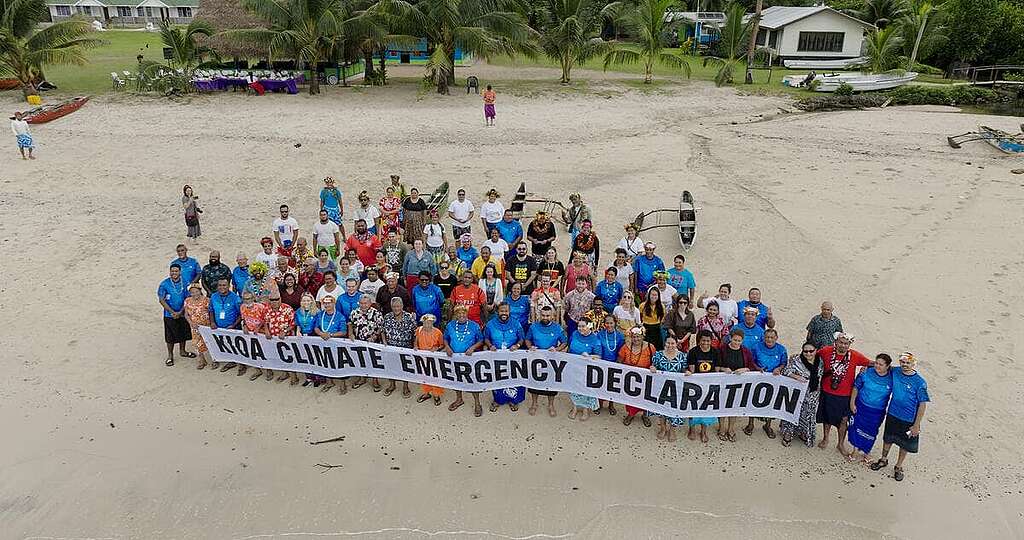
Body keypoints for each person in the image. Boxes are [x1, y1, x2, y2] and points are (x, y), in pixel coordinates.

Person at [871, 352, 929, 482]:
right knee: (888, 439)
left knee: (904, 444)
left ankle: (898, 466)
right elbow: (882, 367)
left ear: (913, 364)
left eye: (908, 363)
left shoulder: (920, 382)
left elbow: (922, 405)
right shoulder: (895, 371)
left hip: (909, 419)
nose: (905, 365)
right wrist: (867, 367)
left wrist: (916, 425)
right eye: (902, 362)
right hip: (892, 414)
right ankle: (883, 459)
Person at [817, 332, 872, 457]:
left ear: (849, 345)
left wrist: (867, 369)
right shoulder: (826, 351)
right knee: (827, 418)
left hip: (845, 395)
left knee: (843, 421)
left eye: (846, 343)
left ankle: (840, 444)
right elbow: (811, 355)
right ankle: (826, 438)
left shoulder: (855, 355)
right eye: (840, 342)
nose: (843, 345)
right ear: (835, 342)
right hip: (827, 391)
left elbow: (872, 363)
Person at [848, 353, 893, 464]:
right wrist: (852, 403)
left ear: (887, 366)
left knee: (871, 431)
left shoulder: (892, 378)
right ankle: (855, 451)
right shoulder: (866, 372)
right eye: (876, 363)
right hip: (861, 406)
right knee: (856, 427)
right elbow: (856, 387)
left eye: (881, 364)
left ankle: (867, 452)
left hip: (877, 411)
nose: (877, 366)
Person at [745, 327, 788, 439]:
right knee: (753, 400)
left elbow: (784, 363)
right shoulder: (756, 347)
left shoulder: (782, 349)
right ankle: (750, 424)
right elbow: (751, 361)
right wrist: (758, 368)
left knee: (771, 402)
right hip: (758, 378)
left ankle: (768, 425)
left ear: (776, 338)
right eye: (767, 337)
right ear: (764, 337)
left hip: (774, 380)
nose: (769, 339)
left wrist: (779, 368)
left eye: (772, 337)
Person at [715, 328, 757, 441]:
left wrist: (744, 369)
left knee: (734, 407)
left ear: (742, 340)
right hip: (724, 382)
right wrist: (724, 369)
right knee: (722, 406)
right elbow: (717, 366)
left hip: (739, 384)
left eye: (739, 341)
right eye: (735, 340)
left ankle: (731, 429)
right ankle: (721, 428)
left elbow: (751, 366)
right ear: (730, 338)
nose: (736, 342)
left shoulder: (746, 351)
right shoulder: (722, 349)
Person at [484, 303, 527, 411]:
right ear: (498, 312)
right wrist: (490, 345)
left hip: (512, 357)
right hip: (497, 357)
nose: (504, 313)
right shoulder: (490, 324)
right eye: (502, 311)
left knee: (513, 377)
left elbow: (522, 338)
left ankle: (513, 400)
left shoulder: (516, 323)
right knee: (497, 378)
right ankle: (498, 400)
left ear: (509, 312)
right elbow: (486, 338)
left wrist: (517, 345)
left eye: (506, 311)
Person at [525, 306, 567, 417]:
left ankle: (551, 405)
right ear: (539, 315)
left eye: (547, 315)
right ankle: (534, 404)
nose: (545, 317)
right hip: (536, 360)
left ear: (552, 316)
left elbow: (564, 342)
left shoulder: (558, 328)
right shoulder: (533, 327)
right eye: (543, 315)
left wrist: (557, 349)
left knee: (551, 384)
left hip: (551, 360)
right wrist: (530, 347)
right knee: (534, 383)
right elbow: (527, 339)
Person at [443, 305, 485, 415]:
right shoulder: (450, 325)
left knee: (472, 380)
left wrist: (473, 348)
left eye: (463, 313)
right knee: (456, 379)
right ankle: (459, 399)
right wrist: (447, 347)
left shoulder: (474, 326)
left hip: (469, 359)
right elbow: (445, 338)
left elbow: (481, 340)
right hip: (454, 358)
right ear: (456, 315)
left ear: (467, 314)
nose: (461, 315)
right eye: (459, 313)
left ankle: (477, 403)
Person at [779, 343, 823, 447]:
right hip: (796, 393)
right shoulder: (796, 360)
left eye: (811, 351)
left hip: (813, 394)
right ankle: (788, 434)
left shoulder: (820, 361)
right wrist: (796, 377)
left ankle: (803, 433)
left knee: (808, 414)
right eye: (805, 351)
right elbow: (786, 371)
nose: (808, 353)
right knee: (792, 412)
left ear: (816, 350)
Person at [650, 336, 687, 442]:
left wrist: (687, 372)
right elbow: (654, 366)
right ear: (664, 343)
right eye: (668, 343)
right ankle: (663, 428)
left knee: (674, 409)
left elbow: (684, 369)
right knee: (661, 409)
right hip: (661, 387)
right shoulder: (658, 355)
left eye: (673, 343)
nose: (670, 345)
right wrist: (653, 368)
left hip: (676, 388)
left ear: (676, 344)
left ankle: (672, 430)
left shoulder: (682, 356)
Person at [685, 331, 718, 443]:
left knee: (707, 408)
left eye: (708, 340)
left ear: (711, 341)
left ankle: (704, 430)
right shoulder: (693, 352)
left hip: (709, 384)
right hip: (696, 384)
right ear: (699, 340)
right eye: (703, 340)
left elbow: (717, 371)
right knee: (693, 407)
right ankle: (692, 428)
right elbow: (692, 370)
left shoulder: (715, 352)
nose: (705, 343)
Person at [381, 297, 417, 397]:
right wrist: (384, 342)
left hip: (405, 347)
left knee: (405, 368)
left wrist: (415, 345)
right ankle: (392, 385)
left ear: (402, 306)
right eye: (394, 307)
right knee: (391, 368)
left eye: (398, 306)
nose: (396, 308)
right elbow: (382, 330)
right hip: (391, 348)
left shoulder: (409, 317)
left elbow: (415, 333)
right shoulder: (387, 316)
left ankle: (405, 386)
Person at [619, 327, 655, 427]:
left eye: (638, 337)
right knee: (630, 397)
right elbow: (620, 360)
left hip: (645, 379)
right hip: (630, 378)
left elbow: (655, 361)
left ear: (642, 336)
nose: (636, 339)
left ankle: (645, 415)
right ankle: (631, 414)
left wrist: (653, 367)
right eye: (634, 337)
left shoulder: (650, 347)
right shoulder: (626, 347)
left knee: (645, 397)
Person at [566, 319, 601, 420]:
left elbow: (599, 356)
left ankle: (585, 410)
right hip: (573, 365)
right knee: (573, 388)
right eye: (579, 326)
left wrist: (589, 356)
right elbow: (569, 347)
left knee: (585, 389)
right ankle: (575, 408)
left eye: (583, 326)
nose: (580, 328)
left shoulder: (595, 339)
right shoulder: (574, 333)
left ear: (589, 326)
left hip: (587, 368)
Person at [158, 263, 192, 367]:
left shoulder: (185, 282)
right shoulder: (164, 284)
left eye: (176, 271)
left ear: (180, 272)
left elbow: (187, 299)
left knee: (183, 332)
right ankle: (170, 355)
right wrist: (173, 312)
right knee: (170, 336)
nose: (174, 273)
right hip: (169, 315)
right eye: (172, 271)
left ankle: (183, 351)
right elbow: (161, 300)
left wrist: (181, 312)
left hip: (182, 313)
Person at [348, 294, 384, 391]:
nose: (363, 305)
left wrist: (375, 336)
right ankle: (362, 378)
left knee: (373, 361)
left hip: (372, 342)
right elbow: (350, 324)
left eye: (365, 303)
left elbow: (381, 327)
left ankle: (375, 380)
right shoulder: (354, 312)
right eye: (361, 303)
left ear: (370, 303)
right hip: (358, 341)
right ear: (359, 303)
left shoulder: (376, 313)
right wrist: (350, 334)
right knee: (360, 360)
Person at [314, 295, 349, 394]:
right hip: (323, 342)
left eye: (329, 302)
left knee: (339, 363)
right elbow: (316, 327)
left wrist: (331, 335)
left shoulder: (340, 316)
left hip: (336, 344)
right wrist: (321, 334)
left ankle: (343, 384)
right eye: (325, 303)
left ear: (333, 303)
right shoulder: (320, 314)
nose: (327, 305)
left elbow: (343, 332)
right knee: (325, 362)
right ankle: (329, 382)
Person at [262, 292, 296, 382]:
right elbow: (266, 321)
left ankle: (294, 376)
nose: (274, 301)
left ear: (280, 299)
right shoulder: (267, 309)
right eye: (272, 300)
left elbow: (293, 324)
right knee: (277, 356)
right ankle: (284, 373)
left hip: (286, 338)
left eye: (276, 299)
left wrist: (285, 331)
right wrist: (266, 330)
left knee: (289, 357)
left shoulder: (288, 309)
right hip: (273, 338)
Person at [593, 314, 624, 415]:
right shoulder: (599, 334)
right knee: (600, 385)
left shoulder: (619, 336)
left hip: (614, 364)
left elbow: (621, 351)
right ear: (604, 324)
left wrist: (617, 364)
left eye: (611, 323)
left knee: (612, 386)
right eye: (607, 323)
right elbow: (597, 348)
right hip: (602, 363)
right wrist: (600, 362)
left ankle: (611, 405)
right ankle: (600, 404)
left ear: (615, 323)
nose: (609, 325)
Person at [209, 278, 241, 372]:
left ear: (228, 286)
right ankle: (219, 359)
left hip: (232, 327)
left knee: (233, 345)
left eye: (224, 285)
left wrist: (234, 325)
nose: (222, 287)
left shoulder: (235, 298)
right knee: (218, 344)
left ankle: (232, 361)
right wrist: (212, 322)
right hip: (218, 327)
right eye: (220, 285)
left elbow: (241, 314)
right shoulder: (213, 296)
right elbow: (211, 310)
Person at [236, 290, 270, 380]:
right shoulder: (242, 307)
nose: (247, 301)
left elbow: (266, 319)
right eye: (245, 299)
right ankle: (258, 370)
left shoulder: (261, 307)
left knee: (264, 352)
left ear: (253, 298)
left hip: (261, 333)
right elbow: (243, 318)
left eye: (249, 298)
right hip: (250, 333)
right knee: (253, 352)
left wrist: (258, 327)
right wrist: (244, 326)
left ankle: (268, 370)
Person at [415, 314, 447, 405]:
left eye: (429, 322)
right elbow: (416, 340)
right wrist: (415, 346)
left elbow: (442, 345)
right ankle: (426, 393)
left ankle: (436, 395)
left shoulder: (438, 332)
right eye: (425, 322)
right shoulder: (419, 330)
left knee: (435, 376)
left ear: (433, 323)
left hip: (434, 359)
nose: (427, 324)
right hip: (422, 358)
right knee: (424, 376)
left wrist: (436, 348)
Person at [182, 282, 211, 370]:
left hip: (207, 325)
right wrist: (190, 323)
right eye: (192, 292)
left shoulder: (206, 300)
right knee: (196, 343)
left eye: (196, 291)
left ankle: (214, 360)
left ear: (200, 291)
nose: (195, 294)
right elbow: (186, 314)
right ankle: (202, 360)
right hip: (195, 326)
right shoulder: (187, 301)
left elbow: (211, 313)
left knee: (210, 342)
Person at [293, 293, 320, 386]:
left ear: (312, 301)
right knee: (305, 357)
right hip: (302, 336)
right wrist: (298, 331)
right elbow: (297, 324)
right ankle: (308, 377)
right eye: (304, 300)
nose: (306, 302)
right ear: (301, 302)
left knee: (314, 357)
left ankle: (317, 377)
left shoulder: (317, 312)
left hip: (313, 335)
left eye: (308, 300)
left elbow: (318, 325)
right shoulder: (298, 312)